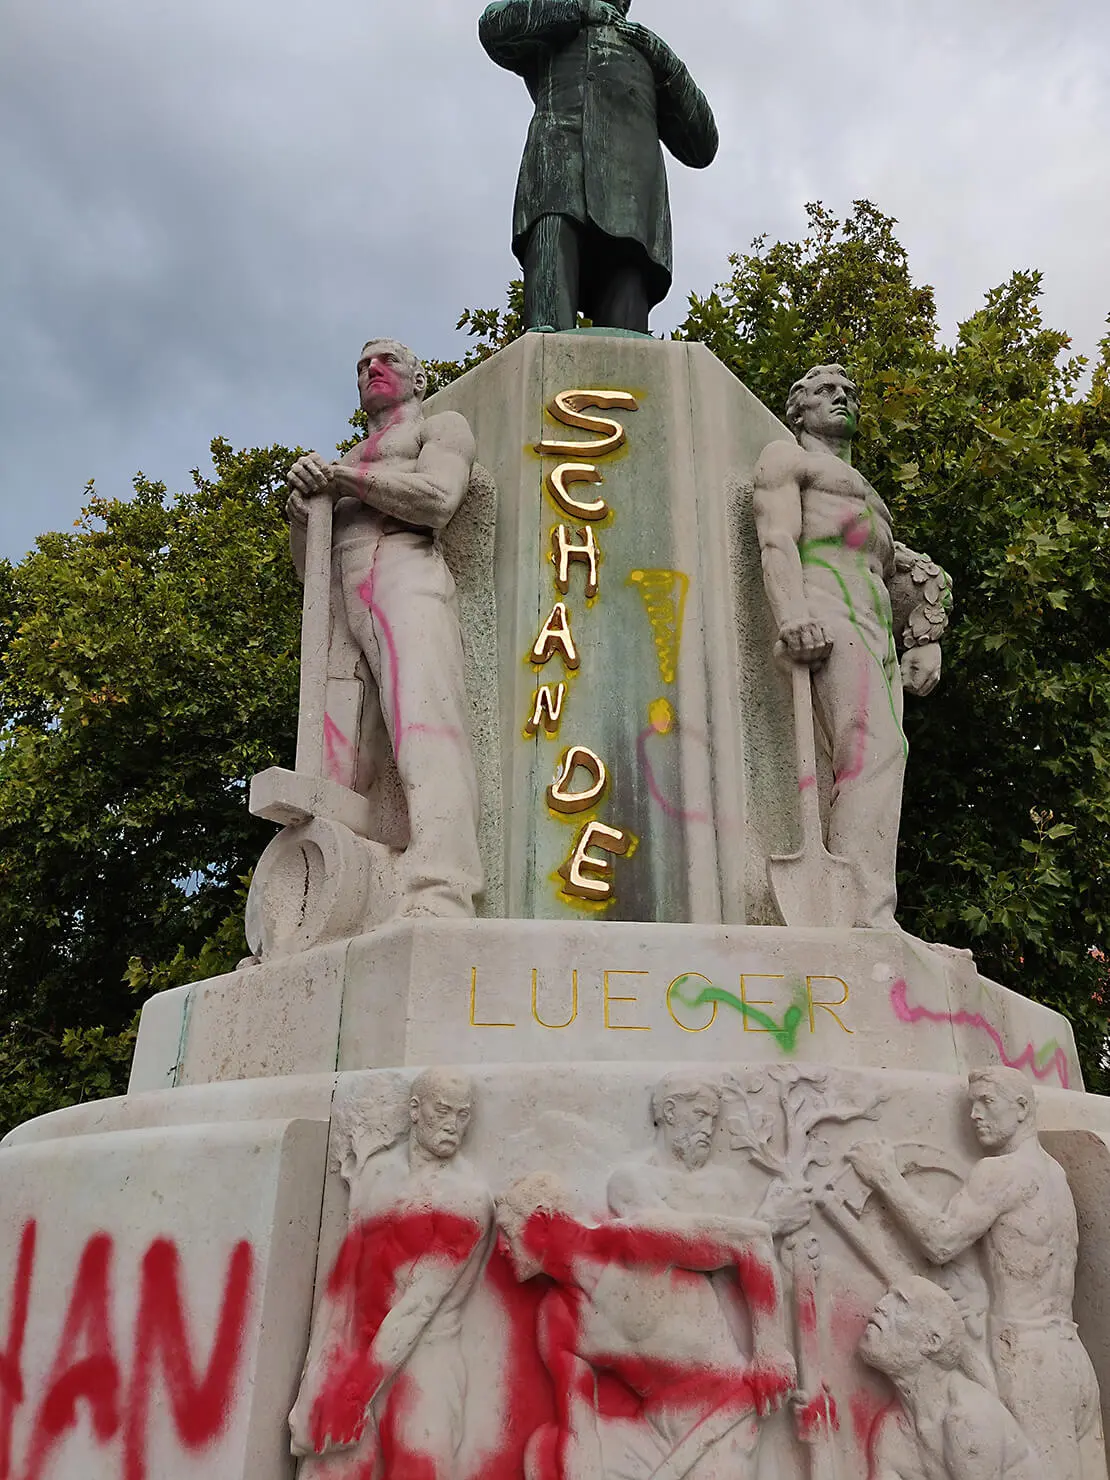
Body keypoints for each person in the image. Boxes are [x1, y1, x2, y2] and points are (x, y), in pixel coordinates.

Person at [287, 339, 483, 918]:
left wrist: (343, 482)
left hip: (405, 572)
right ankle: (332, 904)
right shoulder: (349, 456)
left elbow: (439, 498)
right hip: (343, 594)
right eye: (362, 365)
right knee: (337, 755)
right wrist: (304, 514)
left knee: (425, 726)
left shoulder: (440, 428)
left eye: (387, 360)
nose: (372, 369)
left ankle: (443, 887)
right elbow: (310, 572)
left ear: (417, 379)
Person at [752, 364, 950, 927]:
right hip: (829, 614)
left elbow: (906, 572)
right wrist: (792, 615)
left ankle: (867, 904)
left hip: (876, 627)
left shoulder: (864, 490)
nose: (841, 398)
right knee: (869, 750)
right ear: (798, 408)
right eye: (825, 391)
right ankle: (863, 913)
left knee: (888, 754)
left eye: (848, 392)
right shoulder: (786, 458)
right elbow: (776, 538)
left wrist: (926, 636)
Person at [848, 1067, 1103, 1480]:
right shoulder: (1054, 1173)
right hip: (1070, 1354)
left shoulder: (1001, 1172)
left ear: (1022, 1108)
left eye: (987, 1102)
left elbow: (941, 1241)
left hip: (1029, 1356)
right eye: (971, 1105)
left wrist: (884, 1175)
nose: (975, 1116)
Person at [497, 1172, 796, 1480]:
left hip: (723, 1412)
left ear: (542, 1220)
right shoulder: (557, 1319)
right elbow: (578, 1431)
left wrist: (771, 1350)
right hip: (650, 1434)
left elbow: (751, 1243)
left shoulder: (635, 1240)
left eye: (507, 1231)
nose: (501, 1247)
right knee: (545, 1450)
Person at [289, 1069, 494, 1478]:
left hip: (425, 1367)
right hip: (356, 1350)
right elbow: (346, 1279)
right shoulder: (377, 1174)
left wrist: (355, 1393)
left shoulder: (465, 1198)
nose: (453, 1125)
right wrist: (321, 1371)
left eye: (463, 1115)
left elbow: (418, 1306)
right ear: (415, 1111)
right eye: (443, 1111)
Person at [478, 0, 718, 332]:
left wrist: (668, 64)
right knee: (547, 327)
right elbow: (493, 26)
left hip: (632, 194)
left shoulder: (645, 50)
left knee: (627, 339)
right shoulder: (555, 19)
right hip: (557, 169)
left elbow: (703, 145)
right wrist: (579, 7)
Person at [860, 1276, 1038, 1480]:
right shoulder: (892, 1431)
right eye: (887, 1297)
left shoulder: (968, 1418)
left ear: (932, 1341)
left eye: (901, 1303)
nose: (881, 1305)